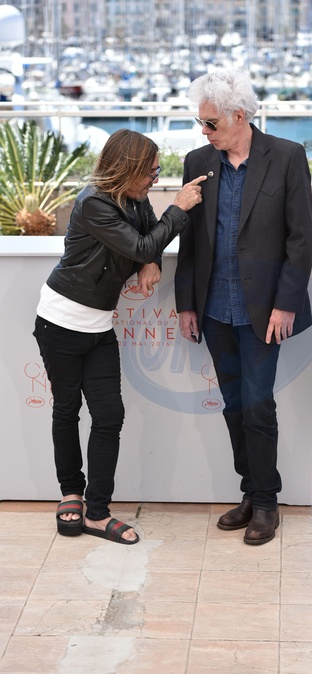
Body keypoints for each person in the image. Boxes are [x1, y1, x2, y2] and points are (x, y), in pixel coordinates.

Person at [33, 129, 206, 545]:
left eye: (157, 171)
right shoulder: (94, 202)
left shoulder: (135, 199)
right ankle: (70, 493)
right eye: (150, 172)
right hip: (60, 322)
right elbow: (142, 243)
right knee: (67, 411)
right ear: (127, 169)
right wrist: (177, 209)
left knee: (110, 416)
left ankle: (97, 513)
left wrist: (152, 262)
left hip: (98, 326)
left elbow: (148, 241)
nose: (154, 180)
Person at [175, 70, 312, 546]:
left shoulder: (287, 156)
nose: (204, 131)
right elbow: (191, 240)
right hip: (214, 309)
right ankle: (250, 493)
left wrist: (285, 304)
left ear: (239, 116)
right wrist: (187, 304)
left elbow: (300, 238)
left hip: (264, 311)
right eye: (200, 122)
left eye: (211, 123)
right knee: (233, 406)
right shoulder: (198, 161)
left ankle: (267, 502)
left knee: (257, 406)